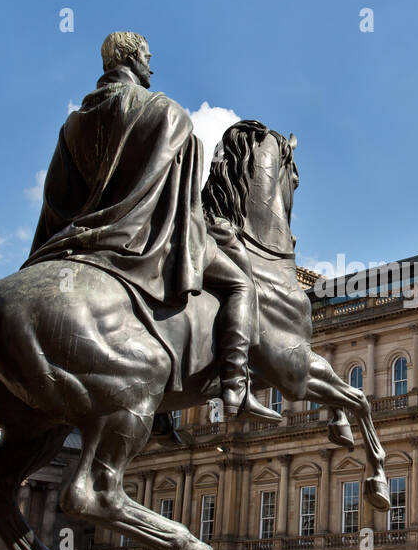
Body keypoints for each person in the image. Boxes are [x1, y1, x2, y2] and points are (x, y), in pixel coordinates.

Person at [25, 31, 279, 422]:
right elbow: (182, 199)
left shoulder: (72, 124)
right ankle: (235, 385)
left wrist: (56, 248)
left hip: (77, 244)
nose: (151, 65)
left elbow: (56, 198)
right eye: (147, 56)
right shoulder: (165, 112)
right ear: (130, 59)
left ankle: (159, 402)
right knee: (241, 284)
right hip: (143, 236)